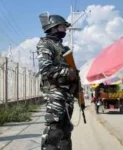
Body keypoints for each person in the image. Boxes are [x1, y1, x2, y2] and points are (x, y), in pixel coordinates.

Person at [37, 12, 85, 150]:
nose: (65, 30)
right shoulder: (45, 44)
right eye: (63, 27)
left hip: (67, 95)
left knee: (66, 131)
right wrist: (67, 71)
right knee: (54, 131)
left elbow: (73, 72)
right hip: (55, 93)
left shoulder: (64, 49)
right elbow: (45, 69)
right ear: (53, 28)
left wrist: (78, 89)